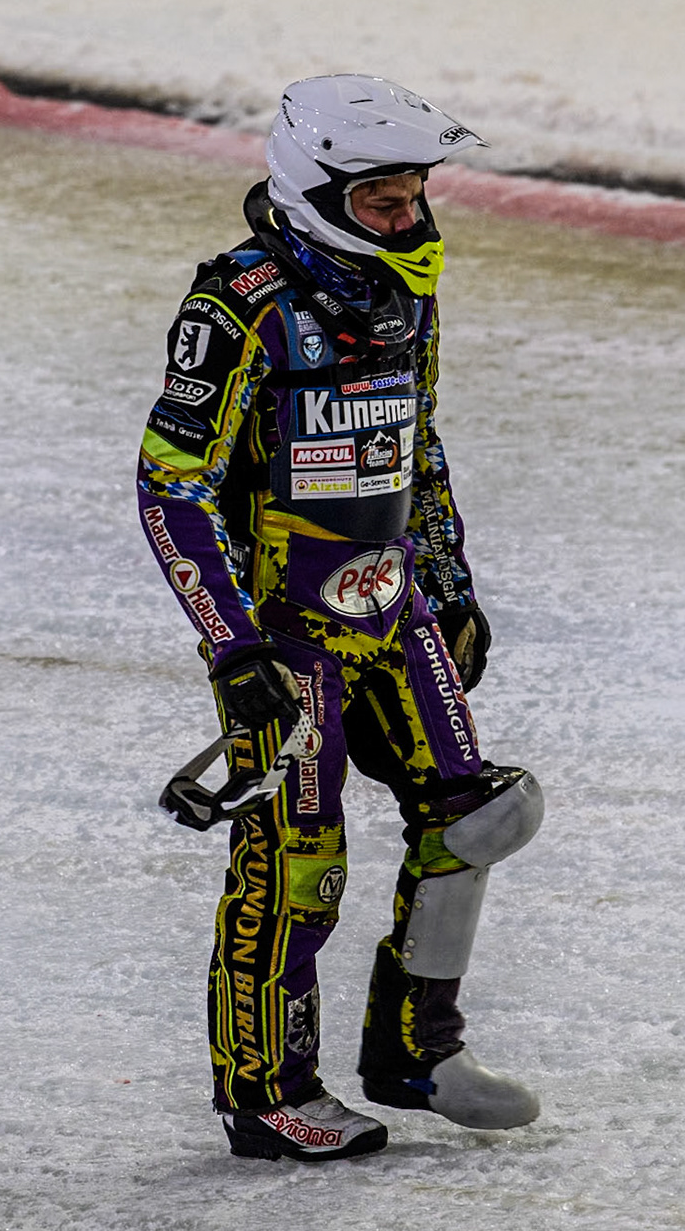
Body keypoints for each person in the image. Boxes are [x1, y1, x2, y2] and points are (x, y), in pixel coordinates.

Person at [136, 74, 544, 1162]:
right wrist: (233, 649)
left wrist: (450, 586)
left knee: (481, 811)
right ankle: (268, 1093)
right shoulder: (241, 300)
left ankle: (418, 1046)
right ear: (314, 186)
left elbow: (421, 443)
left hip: (390, 594)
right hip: (287, 630)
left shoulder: (408, 291)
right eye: (384, 202)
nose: (410, 219)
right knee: (297, 859)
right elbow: (170, 486)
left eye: (415, 196)